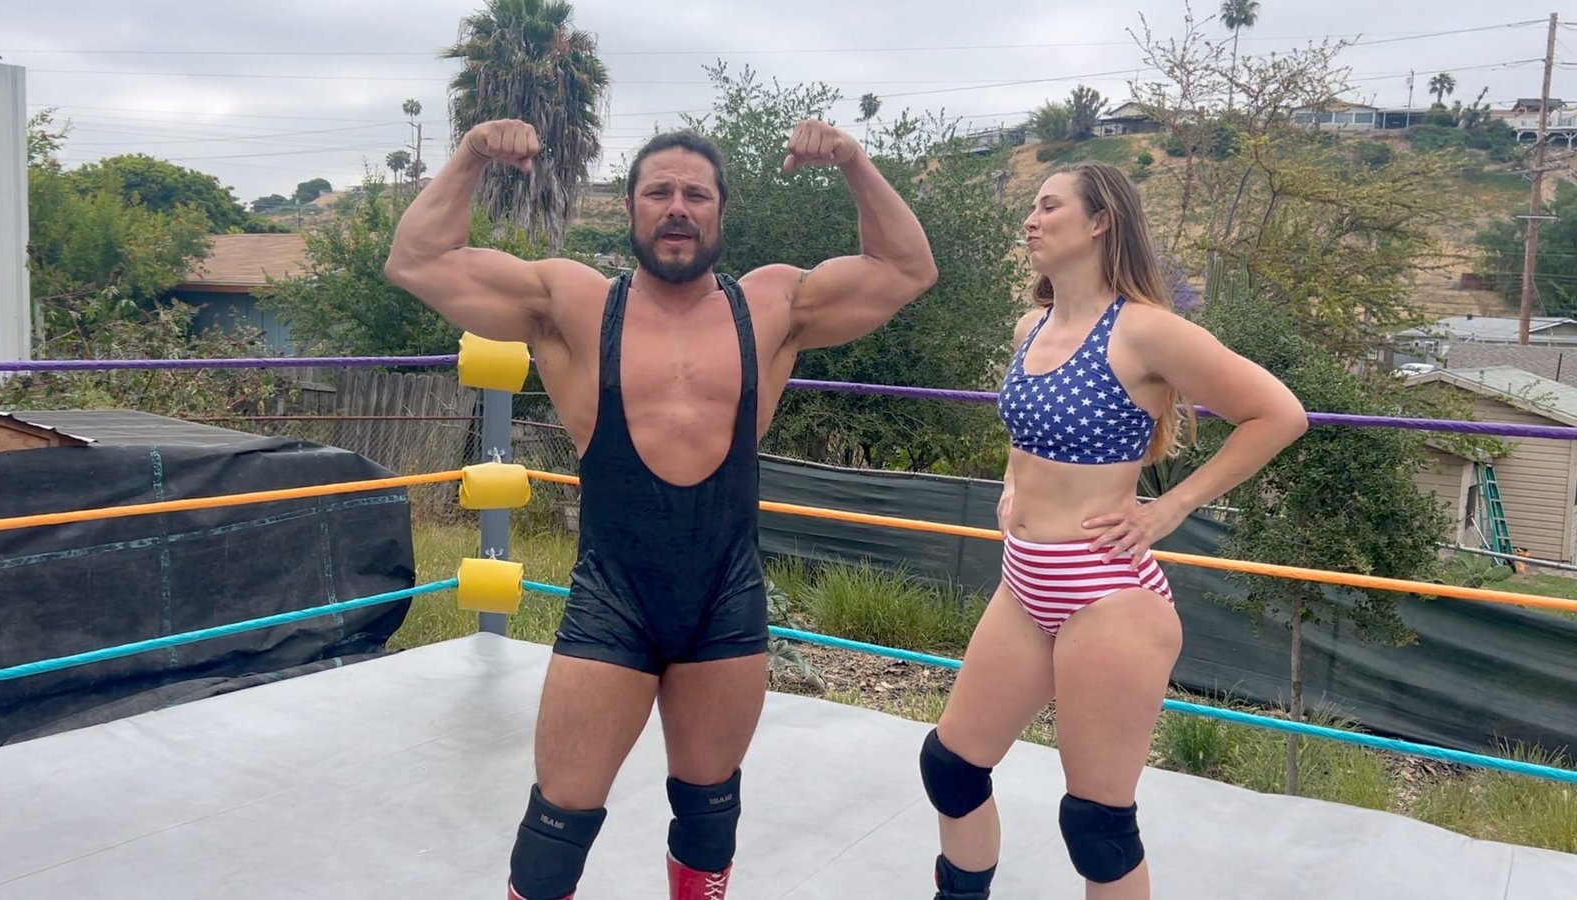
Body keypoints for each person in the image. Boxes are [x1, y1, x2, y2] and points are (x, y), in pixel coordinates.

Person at [385, 118, 937, 900]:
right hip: (615, 599)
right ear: (632, 208)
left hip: (723, 600)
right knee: (556, 829)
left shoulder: (773, 305)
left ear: (720, 211)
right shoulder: (573, 303)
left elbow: (906, 269)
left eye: (695, 194)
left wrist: (853, 160)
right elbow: (416, 260)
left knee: (710, 816)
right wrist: (473, 153)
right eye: (659, 192)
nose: (677, 206)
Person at [917, 161, 1307, 900]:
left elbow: (1279, 413)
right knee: (951, 767)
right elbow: (1027, 433)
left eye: (1049, 206)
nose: (1031, 220)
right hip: (1024, 584)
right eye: (1032, 207)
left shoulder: (1145, 331)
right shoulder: (1030, 325)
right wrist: (1012, 485)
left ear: (1100, 221)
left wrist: (1172, 507)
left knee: (1097, 826)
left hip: (1106, 596)